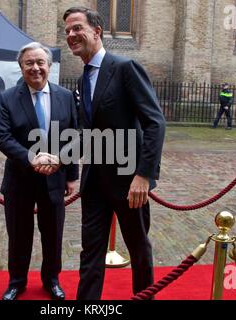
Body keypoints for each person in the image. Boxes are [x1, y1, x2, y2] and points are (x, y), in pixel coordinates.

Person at [63, 7, 166, 300]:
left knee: (138, 249)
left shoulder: (124, 68)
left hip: (129, 183)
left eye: (77, 28)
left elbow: (155, 122)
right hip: (94, 182)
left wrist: (144, 175)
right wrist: (60, 158)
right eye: (68, 31)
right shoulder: (83, 79)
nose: (71, 35)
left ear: (97, 31)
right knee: (90, 252)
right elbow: (88, 132)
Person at [0, 42, 78, 300]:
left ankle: (51, 280)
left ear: (50, 66)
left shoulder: (65, 96)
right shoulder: (8, 97)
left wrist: (72, 173)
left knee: (53, 234)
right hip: (19, 180)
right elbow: (1, 136)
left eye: (41, 62)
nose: (35, 68)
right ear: (21, 67)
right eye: (29, 63)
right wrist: (31, 158)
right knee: (19, 235)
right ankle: (16, 282)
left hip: (55, 178)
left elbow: (75, 136)